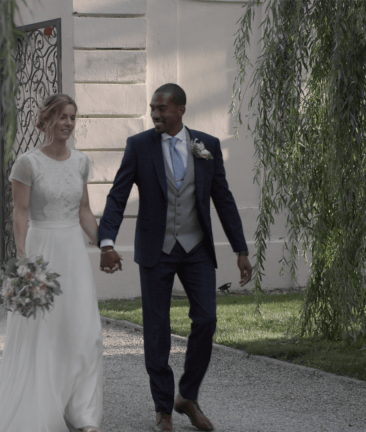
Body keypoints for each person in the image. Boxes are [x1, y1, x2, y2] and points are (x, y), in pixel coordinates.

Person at [98, 84, 252, 432]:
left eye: (162, 108)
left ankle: (188, 395)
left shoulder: (207, 146)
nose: (155, 114)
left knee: (207, 319)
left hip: (197, 249)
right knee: (157, 330)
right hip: (157, 250)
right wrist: (107, 241)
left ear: (180, 109)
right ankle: (163, 408)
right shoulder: (139, 146)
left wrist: (241, 250)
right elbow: (117, 196)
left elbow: (223, 200)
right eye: (152, 108)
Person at [0, 94, 103, 432]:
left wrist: (105, 243)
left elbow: (84, 211)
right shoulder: (28, 163)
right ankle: (40, 408)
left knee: (86, 330)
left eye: (72, 118)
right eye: (62, 117)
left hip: (73, 251)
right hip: (41, 249)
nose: (68, 123)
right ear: (47, 120)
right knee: (44, 331)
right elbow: (20, 214)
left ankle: (83, 415)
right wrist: (23, 262)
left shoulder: (81, 162)